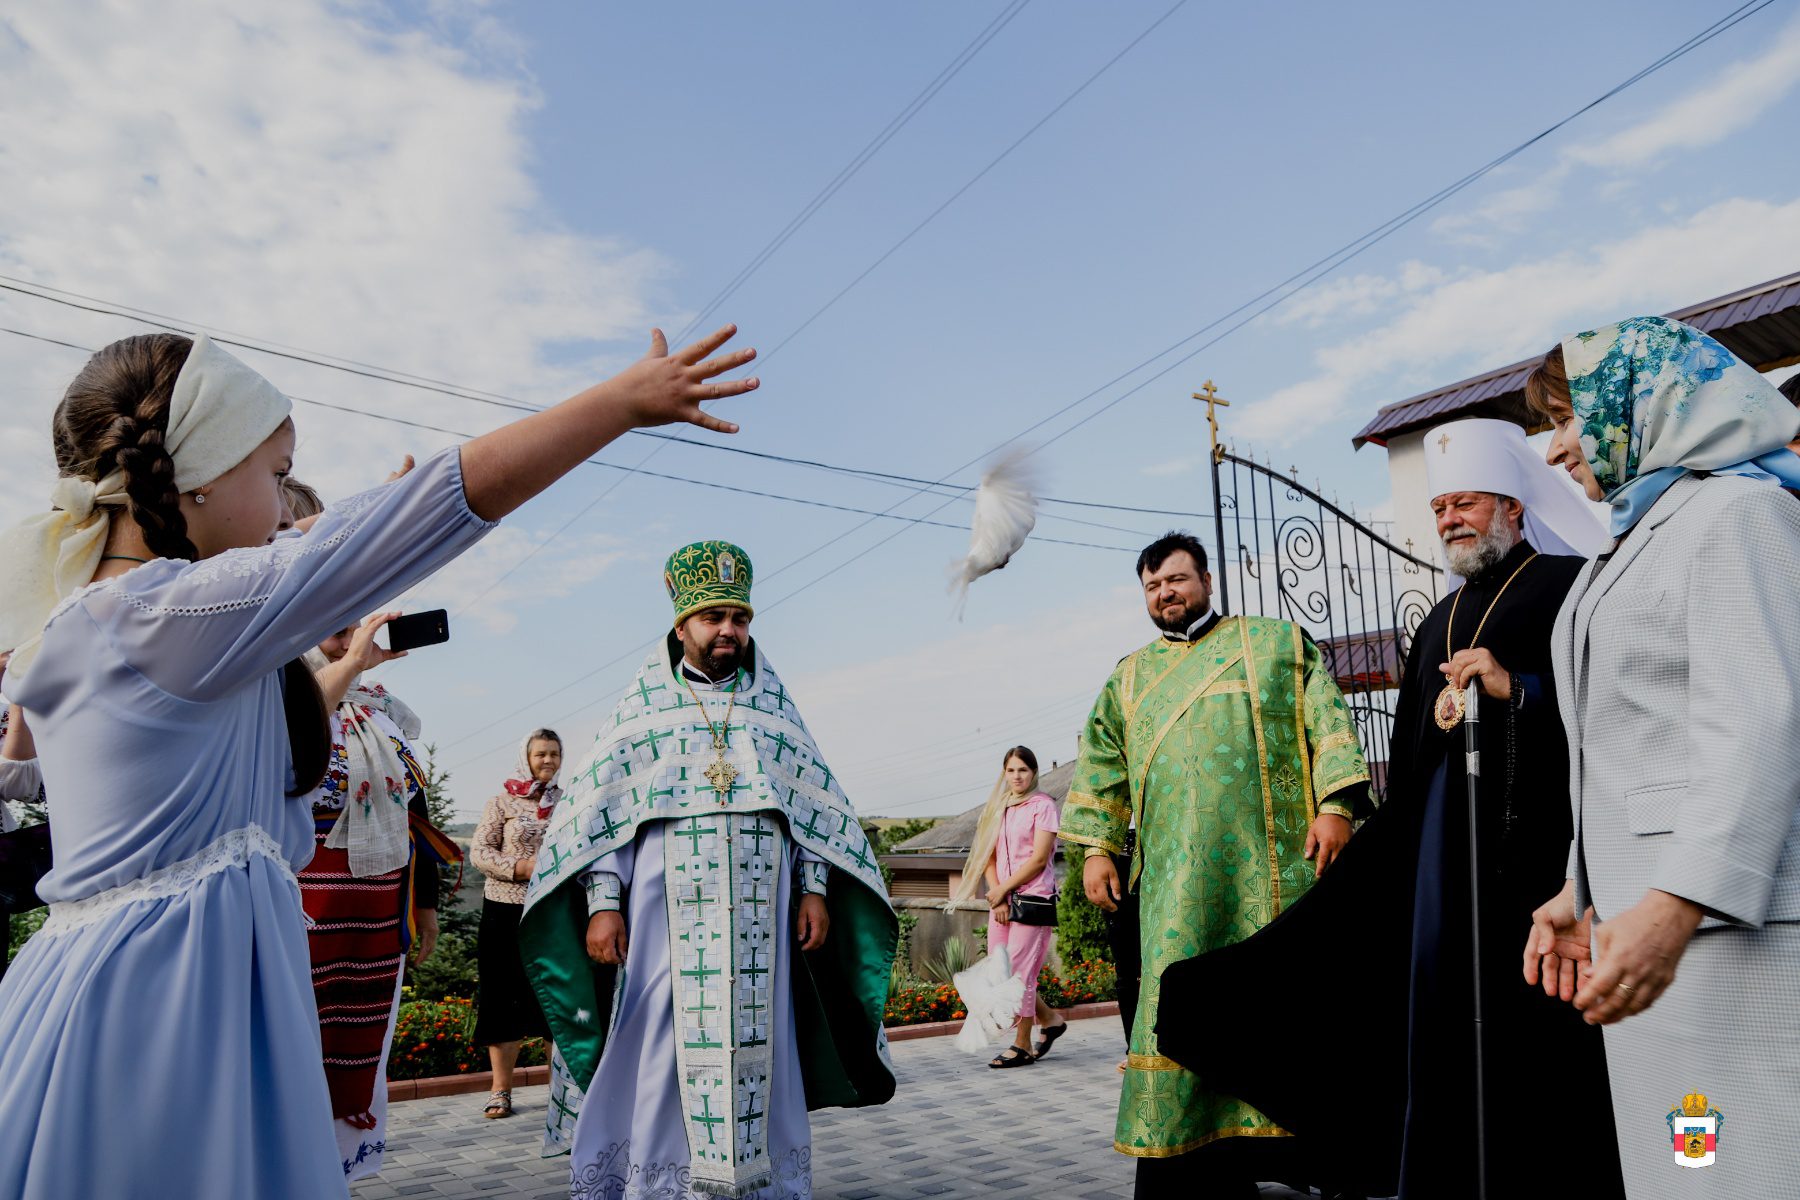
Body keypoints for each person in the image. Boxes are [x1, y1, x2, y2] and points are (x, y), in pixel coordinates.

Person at [0, 321, 760, 1199]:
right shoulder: (166, 617)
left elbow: (293, 565)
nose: (283, 509)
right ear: (198, 474)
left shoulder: (104, 618)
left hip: (129, 978)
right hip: (167, 1001)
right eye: (276, 474)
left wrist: (344, 532)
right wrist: (618, 403)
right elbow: (438, 503)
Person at [1159, 419, 1622, 1197]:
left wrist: (1518, 690)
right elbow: (1411, 760)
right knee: (1435, 1030)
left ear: (1512, 506)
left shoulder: (1570, 586)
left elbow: (1611, 709)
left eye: (1465, 502)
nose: (1450, 520)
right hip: (1442, 865)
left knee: (1536, 1041)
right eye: (1439, 507)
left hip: (1538, 859)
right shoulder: (1437, 621)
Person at [519, 541, 897, 1199]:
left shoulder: (772, 710)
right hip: (663, 922)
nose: (729, 630)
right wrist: (603, 903)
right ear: (681, 626)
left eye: (739, 618)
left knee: (762, 1043)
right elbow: (600, 820)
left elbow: (810, 810)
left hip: (761, 928)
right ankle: (662, 1184)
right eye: (714, 616)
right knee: (659, 1042)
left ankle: (760, 1185)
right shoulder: (641, 712)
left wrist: (814, 890)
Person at [1519, 316, 1800, 1197]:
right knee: (1686, 1170)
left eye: (1565, 418)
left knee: (1745, 1174)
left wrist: (1673, 907)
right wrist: (1581, 888)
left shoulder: (1740, 513)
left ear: (1638, 401)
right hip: (1642, 928)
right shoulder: (1634, 535)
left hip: (1725, 933)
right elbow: (1631, 744)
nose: (1556, 449)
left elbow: (1756, 724)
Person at [1058, 531, 1371, 1199]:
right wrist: (1096, 849)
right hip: (1173, 890)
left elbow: (1328, 724)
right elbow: (1101, 764)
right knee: (1179, 1009)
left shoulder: (1277, 644)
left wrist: (1336, 807)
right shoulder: (1128, 678)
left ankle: (1306, 1154)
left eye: (1176, 579)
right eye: (1152, 586)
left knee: (1280, 1007)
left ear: (1206, 580)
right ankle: (1193, 1169)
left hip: (1276, 874)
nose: (1164, 593)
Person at [297, 603, 459, 1180]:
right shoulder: (282, 702)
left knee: (365, 1034)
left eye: (357, 630)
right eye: (337, 631)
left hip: (379, 911)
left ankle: (339, 1172)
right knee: (298, 1037)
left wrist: (426, 907)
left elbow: (415, 813)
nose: (351, 644)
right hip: (302, 907)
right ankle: (289, 1166)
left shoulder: (383, 712)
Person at [950, 745, 1067, 1068]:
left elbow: (1039, 859)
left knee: (1020, 976)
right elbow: (987, 855)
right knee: (1002, 974)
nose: (1017, 776)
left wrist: (1004, 889)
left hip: (1032, 900)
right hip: (1001, 901)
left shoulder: (1043, 806)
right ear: (1004, 773)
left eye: (1023, 770)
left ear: (1034, 773)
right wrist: (998, 894)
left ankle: (1023, 1044)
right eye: (1011, 770)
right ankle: (1050, 1020)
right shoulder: (998, 807)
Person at [469, 728, 562, 1118]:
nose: (548, 760)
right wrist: (523, 867)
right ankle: (500, 1090)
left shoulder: (570, 801)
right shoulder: (501, 801)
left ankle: (561, 1093)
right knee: (502, 995)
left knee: (556, 995)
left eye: (554, 754)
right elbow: (479, 851)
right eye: (541, 754)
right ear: (526, 758)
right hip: (504, 909)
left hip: (553, 909)